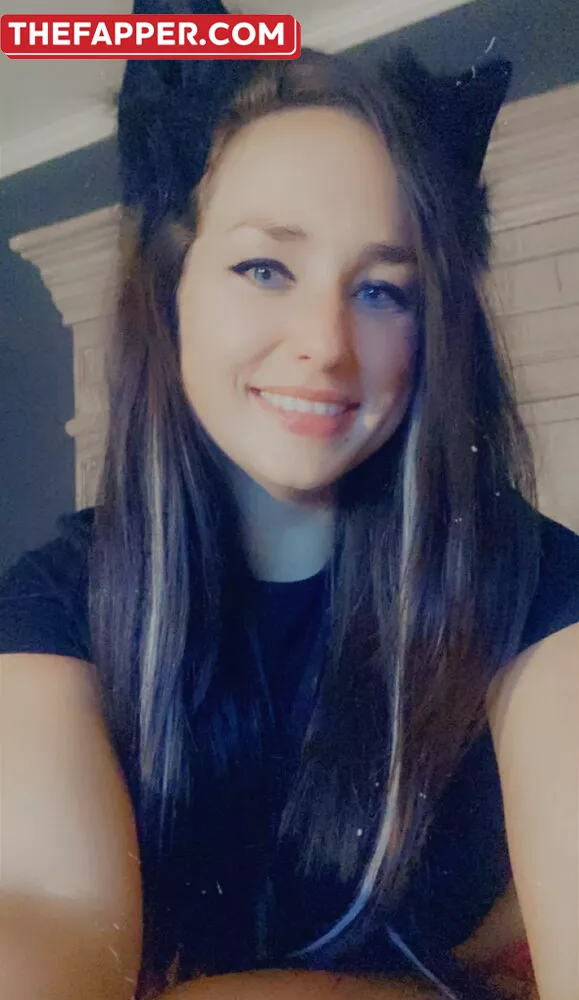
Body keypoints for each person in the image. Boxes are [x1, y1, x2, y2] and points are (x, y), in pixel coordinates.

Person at [0, 4, 578, 999]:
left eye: (383, 290)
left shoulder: (538, 588)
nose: (325, 344)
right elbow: (50, 915)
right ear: (171, 291)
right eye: (264, 268)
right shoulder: (54, 604)